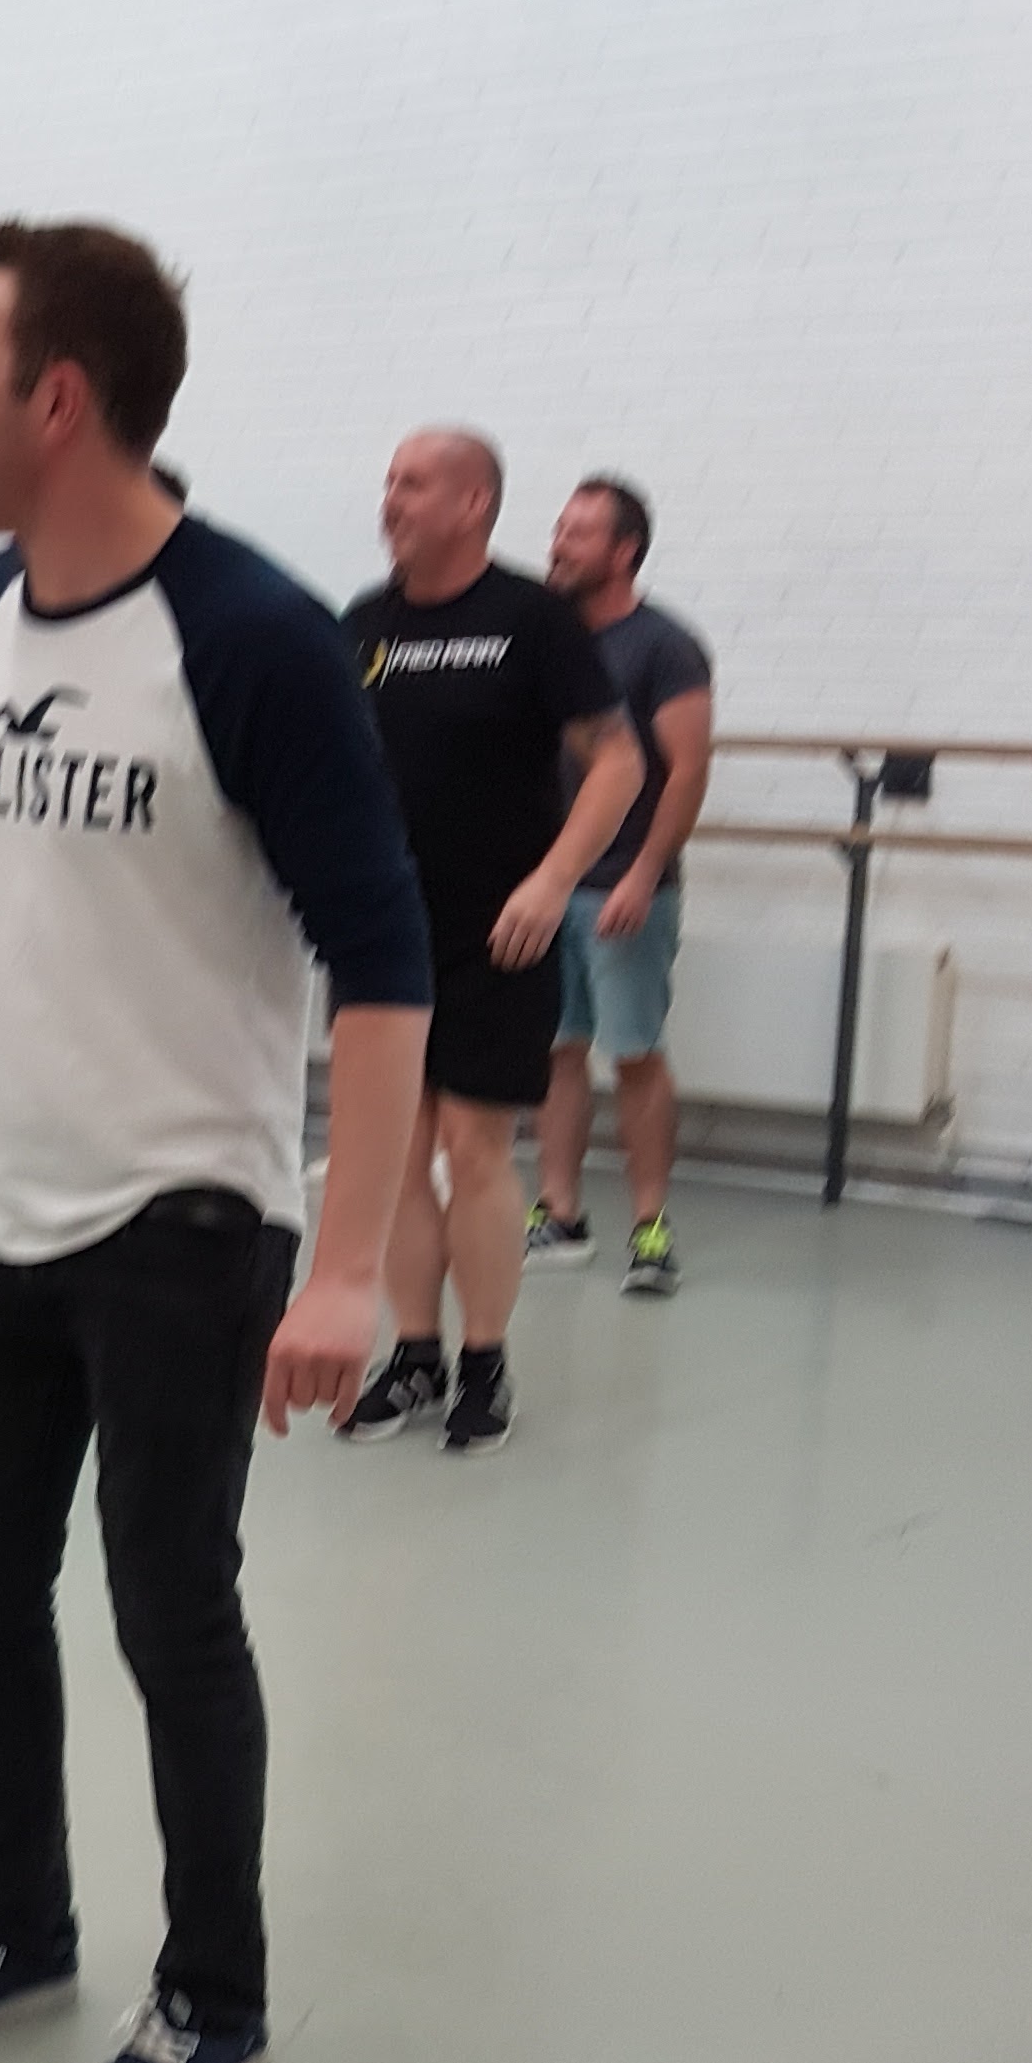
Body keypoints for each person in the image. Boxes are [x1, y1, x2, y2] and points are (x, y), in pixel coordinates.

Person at [0, 220, 432, 2063]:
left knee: (166, 1608)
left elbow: (384, 964)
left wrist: (346, 1270)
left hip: (182, 1221)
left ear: (53, 401)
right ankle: (19, 1924)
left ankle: (213, 1991)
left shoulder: (248, 637)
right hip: (0, 1206)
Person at [337, 435, 641, 1452]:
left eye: (413, 484)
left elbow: (618, 762)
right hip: (385, 932)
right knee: (395, 1155)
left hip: (497, 935)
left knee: (473, 1151)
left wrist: (553, 882)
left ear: (474, 503)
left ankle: (484, 1362)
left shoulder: (532, 620)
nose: (391, 499)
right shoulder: (364, 626)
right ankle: (415, 1355)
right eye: (388, 482)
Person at [533, 475, 714, 1295]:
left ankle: (650, 1227)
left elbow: (687, 769)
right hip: (551, 884)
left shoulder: (664, 647)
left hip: (623, 888)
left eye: (579, 533)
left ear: (623, 551)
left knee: (634, 1054)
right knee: (557, 1050)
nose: (559, 544)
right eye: (559, 529)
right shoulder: (549, 639)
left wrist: (643, 874)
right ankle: (559, 1213)